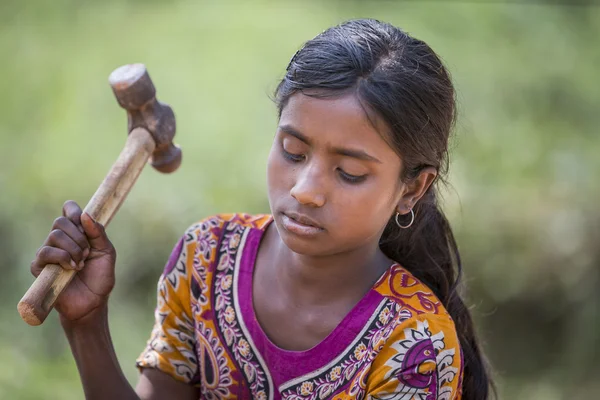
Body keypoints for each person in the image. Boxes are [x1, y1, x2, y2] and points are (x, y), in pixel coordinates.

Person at [30, 19, 493, 400]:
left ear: (413, 187)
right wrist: (86, 323)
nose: (306, 189)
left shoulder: (415, 343)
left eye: (349, 172)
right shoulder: (207, 258)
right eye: (293, 150)